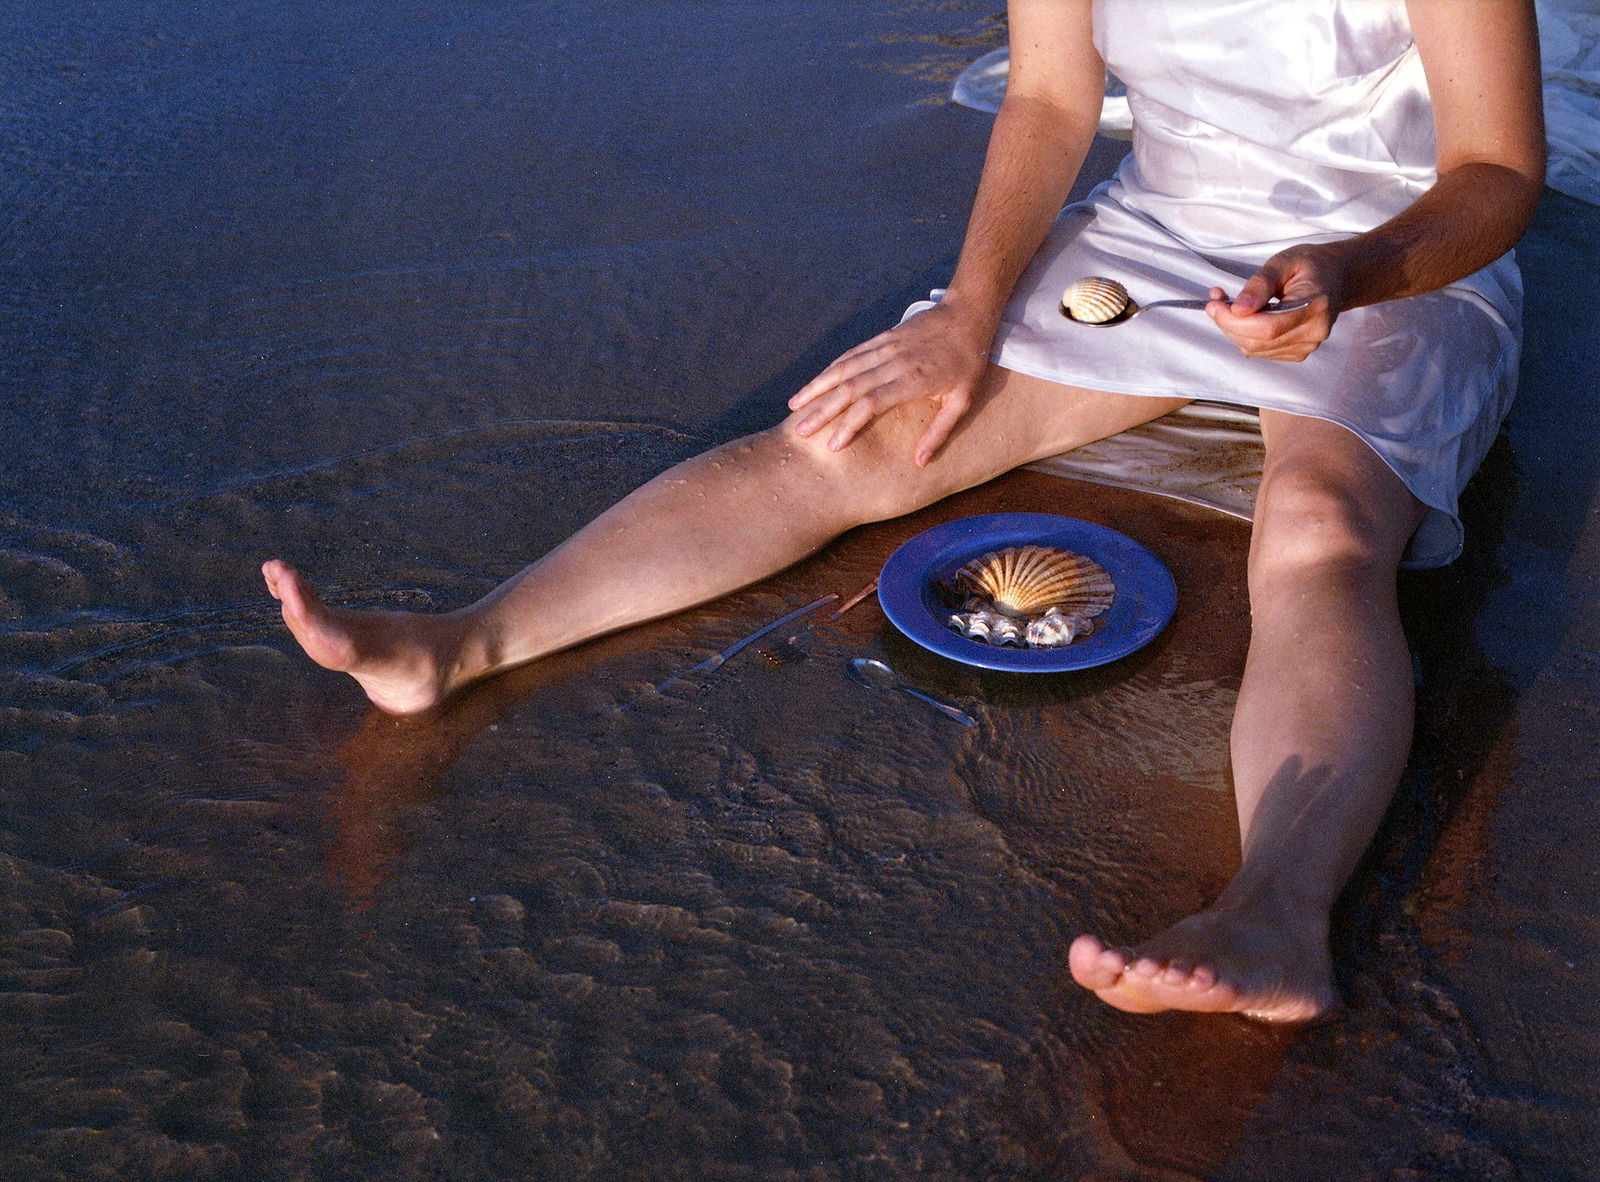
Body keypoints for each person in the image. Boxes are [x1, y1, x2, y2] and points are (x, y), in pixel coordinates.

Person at [263, 0, 1545, 1023]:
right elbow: (1048, 99)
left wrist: (1350, 270)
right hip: (1158, 237)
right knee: (854, 435)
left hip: (1401, 260)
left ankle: (1276, 912)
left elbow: (1493, 172)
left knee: (1319, 527)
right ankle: (461, 643)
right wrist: (966, 315)